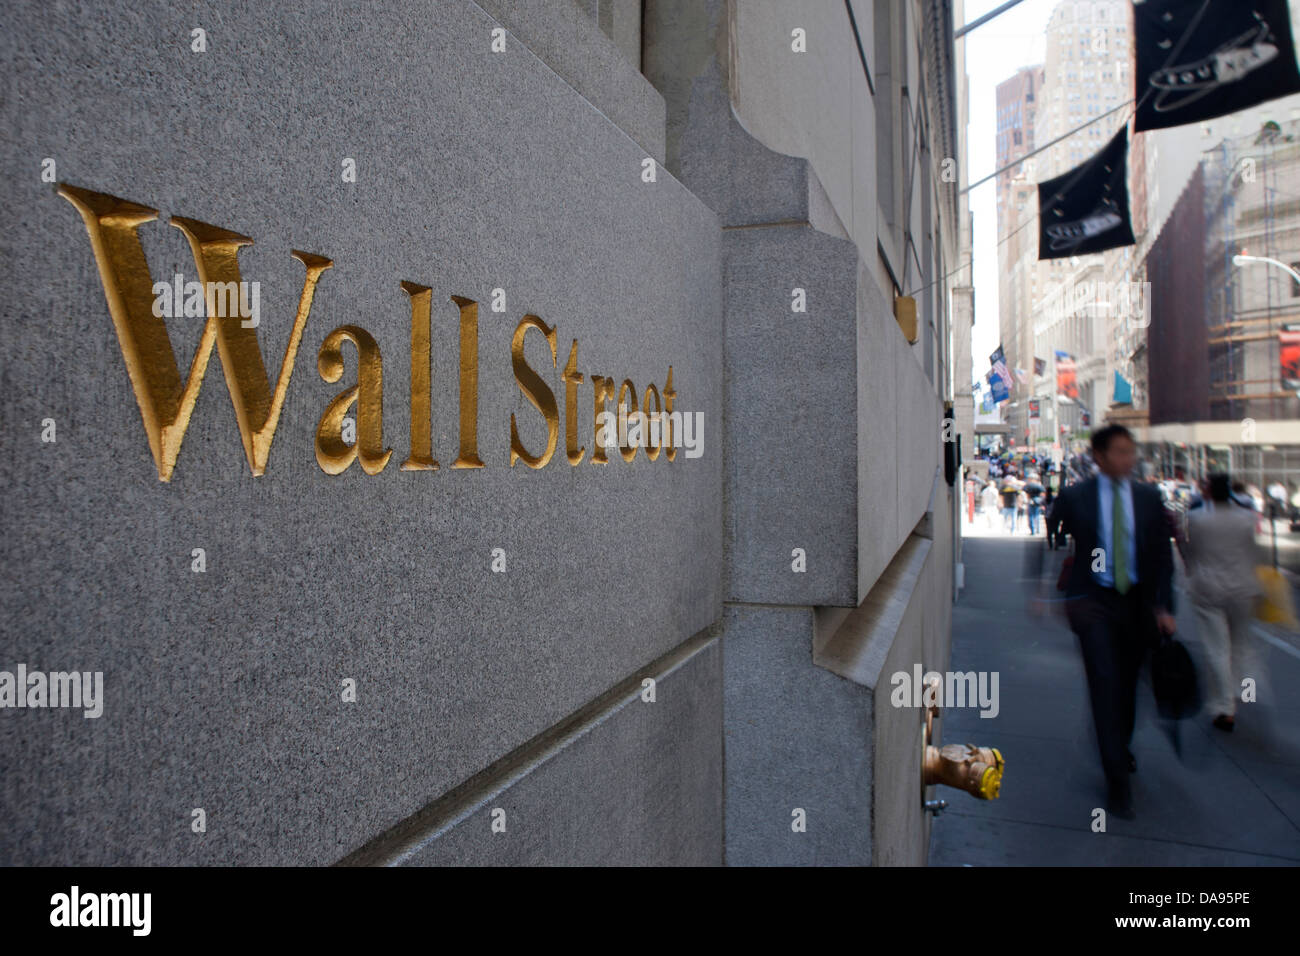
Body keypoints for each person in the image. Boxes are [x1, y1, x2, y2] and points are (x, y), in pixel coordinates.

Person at [1046, 424, 1176, 819]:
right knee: (1103, 683)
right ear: (1099, 457)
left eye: (1130, 451)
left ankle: (1120, 744)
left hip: (1136, 604)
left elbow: (1161, 556)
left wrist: (1165, 608)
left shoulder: (1149, 497)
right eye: (1119, 451)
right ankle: (1116, 777)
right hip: (1093, 603)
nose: (1128, 458)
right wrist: (1046, 592)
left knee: (1127, 688)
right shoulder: (1075, 496)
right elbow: (1051, 535)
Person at [1183, 474, 1264, 733]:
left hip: (1208, 589)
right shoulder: (1247, 518)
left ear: (1208, 491)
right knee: (1242, 646)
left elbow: (1192, 553)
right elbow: (1254, 552)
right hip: (1242, 588)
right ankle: (1247, 693)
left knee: (1217, 649)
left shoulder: (1197, 520)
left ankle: (1224, 706)